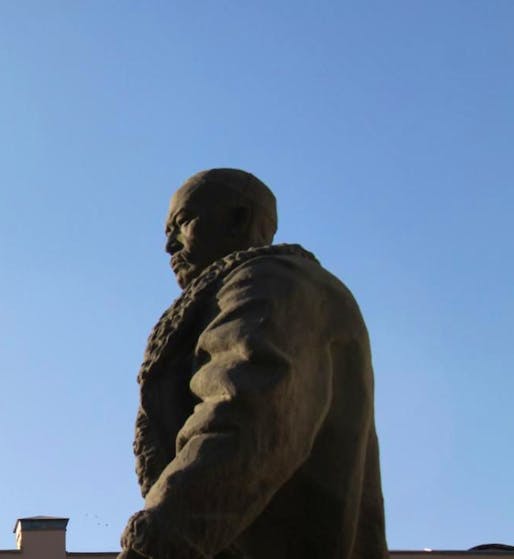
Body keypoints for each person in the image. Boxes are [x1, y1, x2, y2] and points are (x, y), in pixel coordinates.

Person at [120, 169, 388, 559]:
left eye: (182, 222)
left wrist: (155, 546)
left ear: (238, 219)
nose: (169, 246)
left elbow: (243, 419)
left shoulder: (272, 285)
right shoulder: (266, 289)